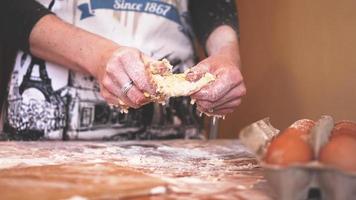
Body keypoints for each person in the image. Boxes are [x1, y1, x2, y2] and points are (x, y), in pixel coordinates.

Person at [0, 0, 246, 140]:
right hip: (49, 137)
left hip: (175, 140)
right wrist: (99, 56)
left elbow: (211, 6)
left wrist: (225, 52)